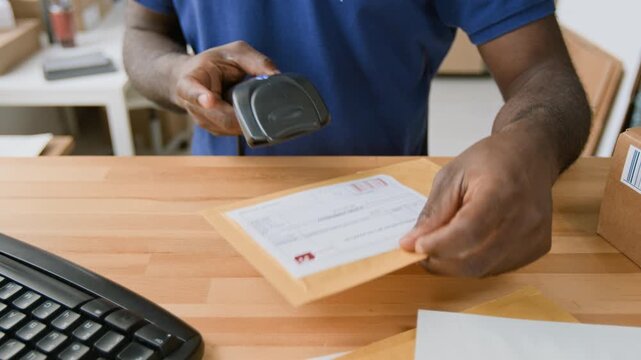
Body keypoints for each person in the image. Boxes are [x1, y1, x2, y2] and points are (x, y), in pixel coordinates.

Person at [124, 1, 591, 277]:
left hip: (385, 227)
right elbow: (143, 31)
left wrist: (532, 142)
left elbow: (541, 71)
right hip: (217, 214)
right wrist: (175, 76)